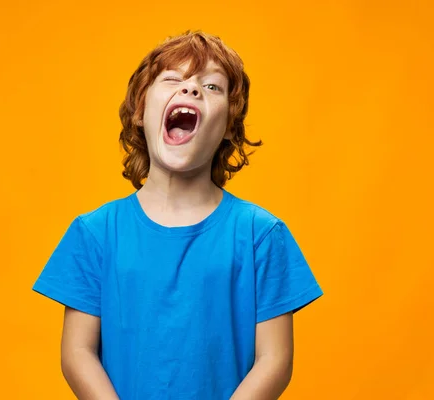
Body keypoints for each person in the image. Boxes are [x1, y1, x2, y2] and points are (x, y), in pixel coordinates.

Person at [32, 30, 324, 400]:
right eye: (172, 79)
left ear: (228, 129)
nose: (190, 89)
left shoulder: (261, 235)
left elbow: (275, 360)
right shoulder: (95, 233)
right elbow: (77, 353)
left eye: (212, 87)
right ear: (140, 112)